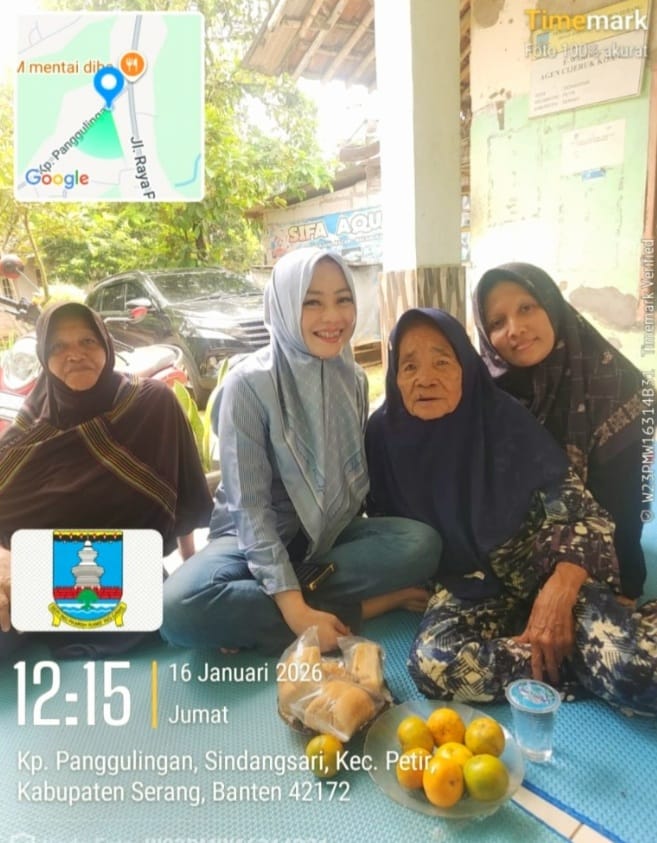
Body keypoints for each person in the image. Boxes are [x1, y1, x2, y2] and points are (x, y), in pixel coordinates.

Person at [365, 307, 657, 715]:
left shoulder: (503, 419)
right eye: (409, 366)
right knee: (433, 665)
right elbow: (382, 525)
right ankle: (576, 658)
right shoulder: (383, 435)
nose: (425, 378)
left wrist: (559, 592)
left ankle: (600, 658)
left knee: (634, 670)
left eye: (442, 362)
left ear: (466, 368)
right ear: (394, 377)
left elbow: (585, 517)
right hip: (466, 583)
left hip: (547, 571)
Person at [161, 247, 441, 656]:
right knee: (177, 607)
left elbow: (351, 485)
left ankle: (248, 616)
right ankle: (359, 608)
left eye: (343, 300)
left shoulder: (352, 379)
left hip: (326, 538)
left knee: (421, 543)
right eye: (312, 302)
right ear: (285, 305)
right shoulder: (249, 384)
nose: (333, 317)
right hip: (247, 543)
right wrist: (295, 611)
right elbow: (250, 511)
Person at [0, 301, 213, 660]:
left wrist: (192, 573)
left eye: (87, 341)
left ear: (106, 345)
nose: (75, 355)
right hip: (31, 575)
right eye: (58, 346)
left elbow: (187, 496)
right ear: (44, 357)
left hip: (126, 577)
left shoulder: (151, 404)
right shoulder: (32, 428)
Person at [473, 262, 646, 601]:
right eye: (497, 322)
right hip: (518, 557)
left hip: (599, 550)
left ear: (551, 304)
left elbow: (627, 506)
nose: (515, 329)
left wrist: (623, 584)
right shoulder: (487, 395)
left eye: (526, 308)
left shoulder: (615, 387)